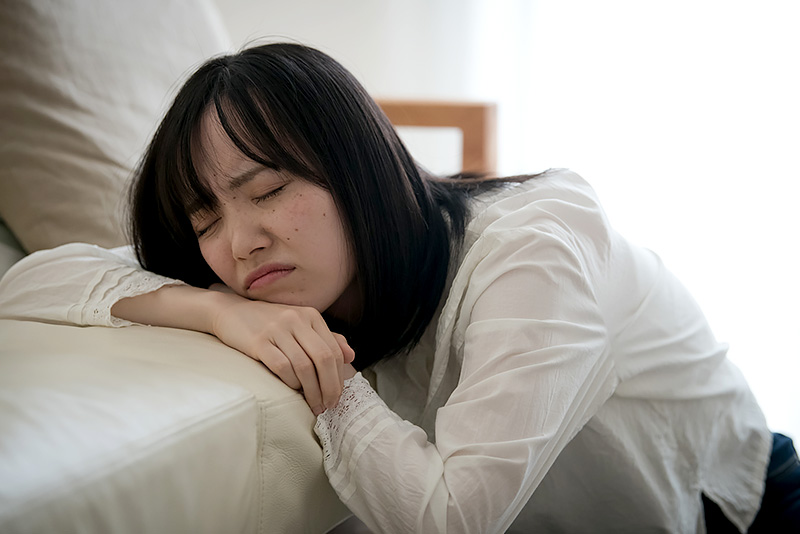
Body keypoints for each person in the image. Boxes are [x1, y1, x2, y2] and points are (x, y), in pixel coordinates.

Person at [0, 42, 797, 533]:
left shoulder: (529, 254)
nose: (239, 242)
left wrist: (329, 383)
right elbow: (31, 280)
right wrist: (214, 309)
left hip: (737, 511)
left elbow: (451, 520)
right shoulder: (249, 275)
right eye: (206, 215)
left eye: (270, 189)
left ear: (358, 168)